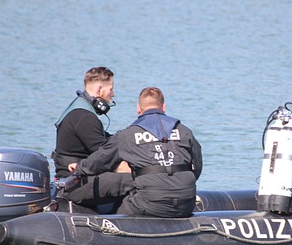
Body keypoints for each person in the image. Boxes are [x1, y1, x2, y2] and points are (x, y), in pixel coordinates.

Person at [69, 86, 203, 217]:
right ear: (163, 107)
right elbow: (197, 166)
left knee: (118, 213)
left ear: (138, 109)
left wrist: (79, 169)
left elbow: (101, 159)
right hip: (186, 203)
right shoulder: (185, 131)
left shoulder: (128, 135)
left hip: (150, 204)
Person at [52, 67, 133, 209]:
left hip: (78, 178)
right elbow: (105, 159)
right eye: (111, 89)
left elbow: (109, 144)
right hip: (75, 184)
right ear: (99, 90)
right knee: (137, 181)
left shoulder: (81, 111)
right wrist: (140, 171)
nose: (112, 94)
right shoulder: (85, 118)